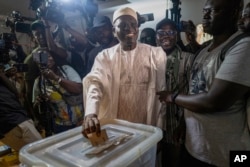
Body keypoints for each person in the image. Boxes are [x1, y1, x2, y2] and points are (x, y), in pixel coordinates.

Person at [157, 0, 250, 166]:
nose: (205, 16)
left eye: (214, 11)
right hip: (194, 147)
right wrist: (185, 122)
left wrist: (172, 96)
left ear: (235, 12)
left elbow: (213, 101)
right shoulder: (204, 50)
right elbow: (194, 91)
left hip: (224, 154)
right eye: (205, 11)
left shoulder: (243, 46)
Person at [82, 7, 166, 138]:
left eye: (133, 24)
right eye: (123, 25)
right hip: (116, 127)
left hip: (146, 126)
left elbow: (162, 95)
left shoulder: (155, 55)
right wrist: (91, 112)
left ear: (138, 28)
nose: (129, 28)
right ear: (114, 31)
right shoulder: (104, 57)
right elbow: (95, 84)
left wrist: (160, 130)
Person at [155, 18, 194, 167]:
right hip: (155, 123)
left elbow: (193, 93)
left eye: (171, 32)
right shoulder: (148, 60)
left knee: (173, 162)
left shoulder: (188, 59)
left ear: (177, 36)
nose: (166, 36)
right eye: (161, 32)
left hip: (176, 123)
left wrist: (184, 124)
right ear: (156, 37)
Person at [33, 52, 84, 135]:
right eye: (42, 58)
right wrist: (38, 102)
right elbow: (35, 107)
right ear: (37, 62)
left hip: (82, 119)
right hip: (61, 126)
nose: (48, 59)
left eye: (49, 56)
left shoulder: (66, 70)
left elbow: (78, 89)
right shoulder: (39, 82)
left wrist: (56, 78)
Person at [0, 67, 42, 151]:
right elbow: (16, 93)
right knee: (42, 153)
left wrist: (5, 75)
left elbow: (16, 93)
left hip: (5, 129)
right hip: (17, 122)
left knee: (33, 158)